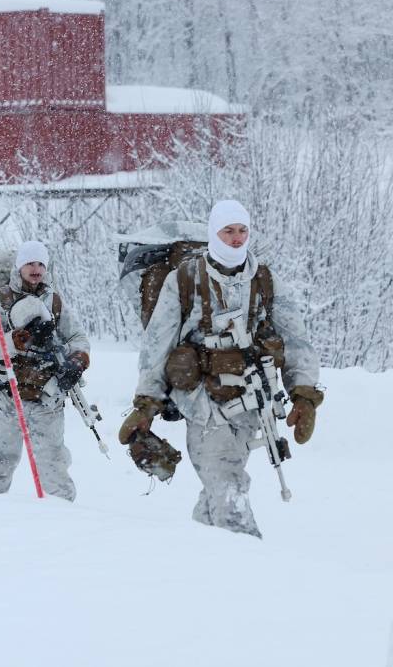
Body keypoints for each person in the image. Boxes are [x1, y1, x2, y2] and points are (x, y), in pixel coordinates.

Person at [119, 200, 323, 537]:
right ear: (215, 233)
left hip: (250, 405)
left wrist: (304, 395)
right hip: (202, 404)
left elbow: (296, 340)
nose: (236, 238)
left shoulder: (265, 280)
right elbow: (158, 344)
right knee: (228, 486)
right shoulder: (184, 279)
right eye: (228, 230)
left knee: (218, 486)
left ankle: (205, 554)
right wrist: (146, 404)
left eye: (242, 230)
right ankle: (248, 559)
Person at [0, 241, 90, 500]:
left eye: (40, 264)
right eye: (30, 263)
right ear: (19, 266)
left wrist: (78, 360)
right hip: (4, 395)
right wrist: (15, 340)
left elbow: (77, 337)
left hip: (45, 397)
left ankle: (65, 521)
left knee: (53, 465)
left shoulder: (55, 301)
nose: (36, 269)